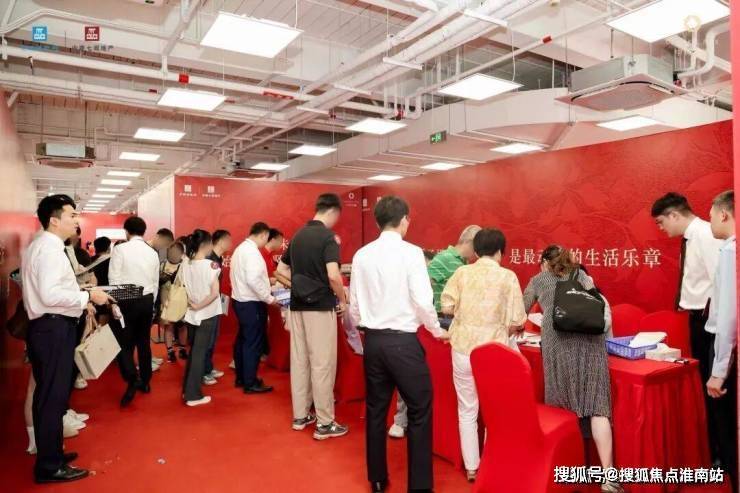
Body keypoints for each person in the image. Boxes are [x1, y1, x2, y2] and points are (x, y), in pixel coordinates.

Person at [350, 196, 448, 493]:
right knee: (419, 410)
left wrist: (365, 327)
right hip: (403, 343)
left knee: (376, 410)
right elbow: (422, 300)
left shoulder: (362, 254)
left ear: (378, 220)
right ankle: (419, 486)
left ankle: (377, 479)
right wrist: (436, 330)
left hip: (374, 341)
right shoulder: (412, 253)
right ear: (404, 219)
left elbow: (354, 305)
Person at [21, 194, 109, 483]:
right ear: (54, 220)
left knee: (49, 396)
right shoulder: (48, 250)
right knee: (52, 398)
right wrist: (87, 297)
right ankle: (49, 466)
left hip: (49, 327)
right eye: (71, 215)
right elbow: (50, 295)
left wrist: (82, 297)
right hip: (53, 328)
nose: (76, 220)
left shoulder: (44, 246)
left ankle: (53, 454)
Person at [523, 245, 621, 493]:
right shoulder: (582, 275)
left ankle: (568, 474)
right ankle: (609, 477)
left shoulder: (538, 279)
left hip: (558, 342)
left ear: (544, 263)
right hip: (591, 343)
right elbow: (597, 304)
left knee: (562, 407)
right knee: (598, 407)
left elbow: (519, 311)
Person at [440, 228, 527, 481]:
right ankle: (490, 460)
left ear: (476, 251)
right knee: (494, 409)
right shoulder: (507, 277)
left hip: (463, 349)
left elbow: (446, 307)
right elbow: (518, 320)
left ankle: (471, 467)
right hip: (492, 352)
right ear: (500, 251)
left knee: (467, 408)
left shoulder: (462, 273)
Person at [651, 192, 723, 462]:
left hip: (710, 320)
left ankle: (722, 455)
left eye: (661, 222)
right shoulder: (691, 238)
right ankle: (712, 450)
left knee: (714, 387)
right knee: (705, 384)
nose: (661, 228)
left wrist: (713, 321)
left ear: (674, 215)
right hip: (698, 318)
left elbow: (721, 282)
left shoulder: (706, 235)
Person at [276, 193, 349, 440]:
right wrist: (342, 299)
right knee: (322, 364)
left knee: (300, 361)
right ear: (333, 212)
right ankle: (325, 423)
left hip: (297, 307)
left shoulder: (297, 236)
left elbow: (280, 270)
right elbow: (333, 275)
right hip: (320, 308)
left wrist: (297, 287)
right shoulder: (328, 237)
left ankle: (300, 416)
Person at [108, 216, 160, 407]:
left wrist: (114, 304)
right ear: (143, 231)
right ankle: (145, 381)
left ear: (126, 231)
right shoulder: (152, 252)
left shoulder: (120, 249)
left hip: (125, 299)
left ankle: (131, 379)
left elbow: (114, 278)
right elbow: (155, 282)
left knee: (124, 343)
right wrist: (151, 304)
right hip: (146, 300)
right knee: (144, 342)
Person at [705, 190, 737, 489]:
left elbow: (728, 314)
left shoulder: (730, 252)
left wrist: (718, 370)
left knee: (727, 425)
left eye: (712, 215)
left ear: (724, 214)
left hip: (727, 348)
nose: (710, 221)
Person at [388, 249, 437, 440]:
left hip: (429, 336)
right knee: (404, 380)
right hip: (406, 337)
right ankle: (400, 420)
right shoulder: (398, 285)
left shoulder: (430, 285)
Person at [231, 222, 277, 394]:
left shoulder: (240, 249)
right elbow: (253, 280)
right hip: (251, 303)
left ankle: (242, 378)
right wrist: (269, 298)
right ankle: (250, 382)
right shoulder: (251, 252)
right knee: (252, 343)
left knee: (243, 340)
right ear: (263, 234)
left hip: (241, 301)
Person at [181, 230, 222, 407]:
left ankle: (187, 390)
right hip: (206, 314)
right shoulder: (211, 265)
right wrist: (199, 305)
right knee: (198, 355)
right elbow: (214, 293)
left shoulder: (186, 263)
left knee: (194, 353)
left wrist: (195, 305)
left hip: (192, 314)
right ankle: (193, 395)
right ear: (205, 245)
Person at [427, 225, 482, 313]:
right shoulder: (445, 258)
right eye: (478, 247)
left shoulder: (464, 262)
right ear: (470, 242)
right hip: (443, 317)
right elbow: (423, 285)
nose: (478, 253)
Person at [203, 229, 232, 384]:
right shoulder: (209, 258)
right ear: (221, 241)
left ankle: (208, 368)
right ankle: (203, 372)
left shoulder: (218, 258)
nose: (230, 244)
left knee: (213, 338)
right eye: (229, 240)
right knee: (207, 339)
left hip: (215, 303)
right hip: (207, 304)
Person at [159, 242, 188, 363]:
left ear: (182, 253)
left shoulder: (186, 265)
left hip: (182, 300)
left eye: (176, 252)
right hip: (166, 300)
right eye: (171, 252)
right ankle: (170, 351)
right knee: (168, 326)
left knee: (182, 326)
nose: (173, 254)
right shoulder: (162, 264)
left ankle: (182, 348)